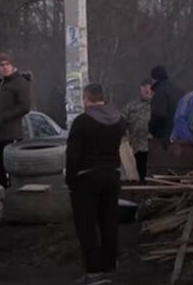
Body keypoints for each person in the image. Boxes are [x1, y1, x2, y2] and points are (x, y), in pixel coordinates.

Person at [66, 84, 126, 285]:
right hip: (112, 175)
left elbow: (72, 155)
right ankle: (109, 267)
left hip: (87, 177)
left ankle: (93, 272)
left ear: (86, 98)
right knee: (109, 222)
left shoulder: (82, 122)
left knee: (87, 226)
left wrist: (71, 179)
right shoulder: (118, 120)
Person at [0, 53, 31, 188]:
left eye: (7, 64)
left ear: (12, 65)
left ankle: (10, 200)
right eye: (1, 65)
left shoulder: (19, 82)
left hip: (10, 134)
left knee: (9, 171)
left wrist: (4, 117)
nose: (4, 68)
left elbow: (24, 106)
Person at [122, 78, 153, 182]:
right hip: (138, 147)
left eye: (150, 88)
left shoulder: (158, 105)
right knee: (140, 174)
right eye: (145, 88)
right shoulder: (132, 106)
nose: (147, 91)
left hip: (154, 147)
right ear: (140, 90)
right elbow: (121, 121)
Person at [148, 65, 184, 147]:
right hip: (181, 137)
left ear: (154, 79)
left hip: (165, 138)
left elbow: (158, 115)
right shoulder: (179, 90)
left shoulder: (160, 92)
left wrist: (152, 130)